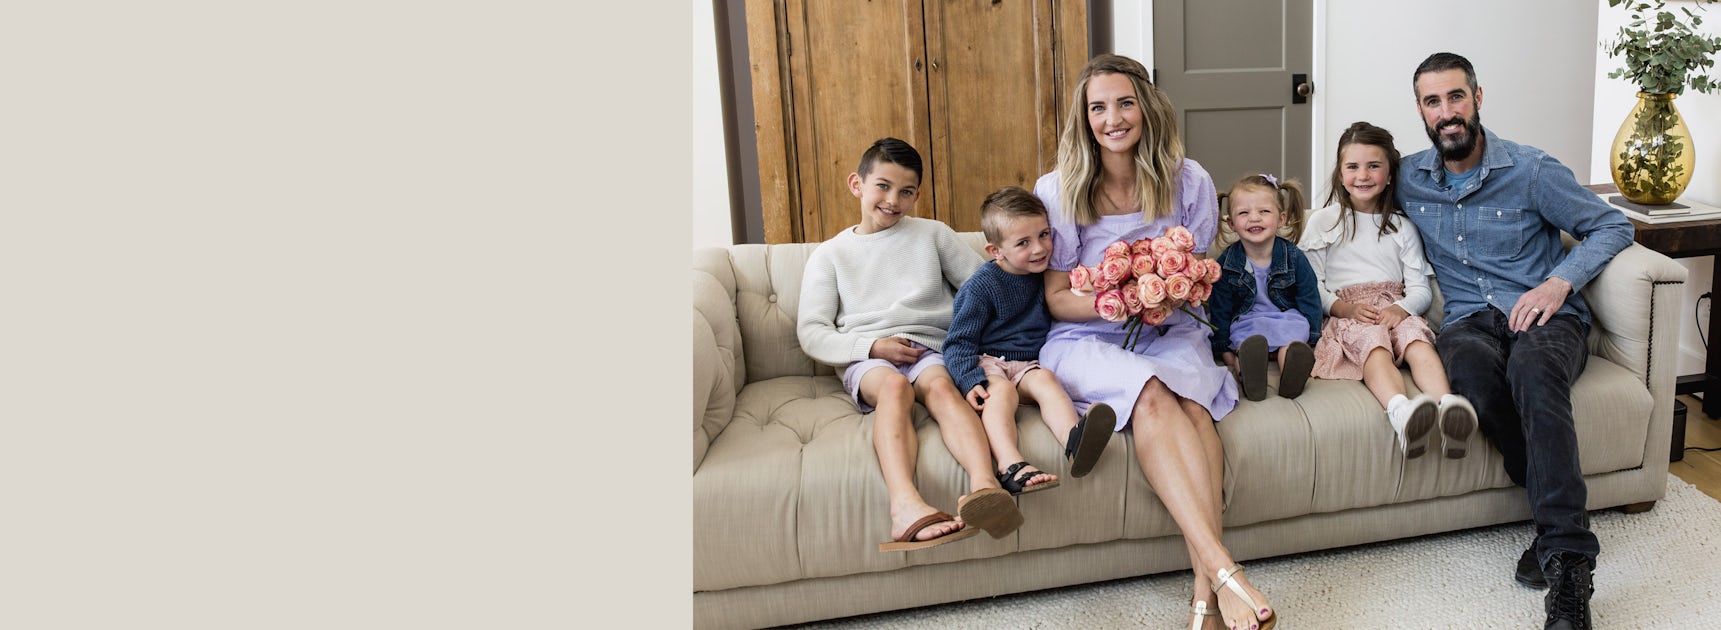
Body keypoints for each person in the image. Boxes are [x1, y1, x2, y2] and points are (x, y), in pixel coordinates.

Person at [1035, 53, 1276, 630]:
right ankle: (1225, 571)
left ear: (1146, 106)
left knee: (1193, 406)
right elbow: (1057, 297)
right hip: (1086, 334)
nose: (1112, 118)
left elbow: (1192, 278)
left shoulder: (1188, 179)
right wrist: (1121, 300)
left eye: (1124, 103)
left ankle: (1204, 593)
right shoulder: (1059, 188)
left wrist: (1164, 298)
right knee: (1149, 395)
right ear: (1084, 117)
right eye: (1098, 107)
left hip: (1170, 325)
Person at [1397, 53, 1634, 630]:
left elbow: (1614, 225)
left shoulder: (1529, 170)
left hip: (1546, 318)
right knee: (1474, 380)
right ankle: (1557, 518)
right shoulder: (1407, 176)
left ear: (1478, 97)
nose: (1447, 113)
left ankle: (1568, 568)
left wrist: (1559, 282)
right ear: (1421, 112)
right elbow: (1345, 201)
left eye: (1456, 97)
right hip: (1470, 322)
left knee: (1531, 373)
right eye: (1433, 102)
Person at [797, 137, 1027, 553]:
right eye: (882, 186)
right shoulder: (829, 255)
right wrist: (872, 346)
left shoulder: (932, 235)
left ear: (917, 194)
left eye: (906, 192)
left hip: (928, 349)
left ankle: (985, 487)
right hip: (867, 357)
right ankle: (904, 506)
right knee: (893, 388)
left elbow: (986, 284)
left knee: (940, 387)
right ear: (857, 184)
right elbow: (812, 331)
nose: (892, 200)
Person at [1300, 121, 1476, 460]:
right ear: (1340, 173)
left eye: (1373, 166)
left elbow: (1420, 289)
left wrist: (1403, 309)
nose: (1362, 175)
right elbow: (1312, 287)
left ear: (1390, 174)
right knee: (1374, 345)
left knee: (1417, 338)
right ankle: (1401, 411)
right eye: (1352, 166)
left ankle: (1448, 406)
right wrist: (1342, 309)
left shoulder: (1402, 226)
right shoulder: (1324, 222)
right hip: (1351, 312)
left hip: (1394, 306)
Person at [943, 187, 1115, 495]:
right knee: (1003, 392)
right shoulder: (981, 287)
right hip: (989, 361)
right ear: (995, 251)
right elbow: (958, 342)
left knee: (1046, 380)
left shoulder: (1048, 277)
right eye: (1023, 243)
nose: (1039, 248)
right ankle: (1010, 465)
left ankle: (1074, 440)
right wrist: (969, 380)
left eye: (1044, 235)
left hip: (1028, 363)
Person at [1208, 173, 1321, 402]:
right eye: (1244, 213)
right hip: (1248, 322)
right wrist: (1224, 350)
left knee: (1292, 344)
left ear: (1281, 218)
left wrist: (1313, 337)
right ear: (1231, 223)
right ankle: (1250, 377)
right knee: (1247, 345)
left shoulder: (1294, 257)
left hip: (1285, 318)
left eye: (1264, 212)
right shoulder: (1227, 263)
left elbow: (1309, 297)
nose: (1254, 218)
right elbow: (1220, 308)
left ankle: (1292, 375)